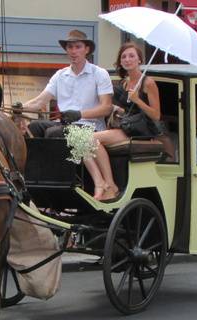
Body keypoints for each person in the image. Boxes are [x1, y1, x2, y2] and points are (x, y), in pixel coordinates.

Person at [82, 42, 162, 201]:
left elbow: (156, 115)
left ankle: (111, 185)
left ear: (139, 59)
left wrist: (138, 100)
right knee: (81, 141)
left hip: (142, 131)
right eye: (124, 56)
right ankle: (100, 183)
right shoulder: (124, 83)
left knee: (89, 138)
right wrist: (117, 109)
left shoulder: (148, 82)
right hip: (126, 127)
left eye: (132, 56)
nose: (127, 59)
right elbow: (127, 112)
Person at [23, 29, 113, 139]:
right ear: (66, 50)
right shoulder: (60, 75)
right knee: (34, 127)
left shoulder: (99, 73)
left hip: (90, 127)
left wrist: (79, 114)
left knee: (53, 133)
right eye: (70, 47)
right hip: (64, 125)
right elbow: (39, 102)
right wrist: (18, 108)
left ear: (87, 49)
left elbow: (107, 107)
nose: (73, 51)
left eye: (78, 47)